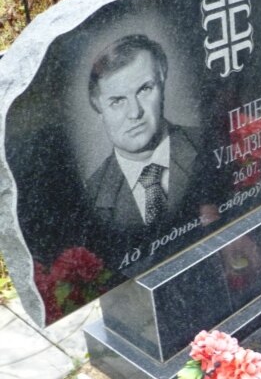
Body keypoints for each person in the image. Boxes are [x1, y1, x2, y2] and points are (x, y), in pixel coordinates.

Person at [86, 34, 204, 232]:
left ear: (162, 81)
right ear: (99, 110)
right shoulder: (89, 196)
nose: (135, 113)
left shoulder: (209, 142)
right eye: (117, 101)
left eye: (144, 89)